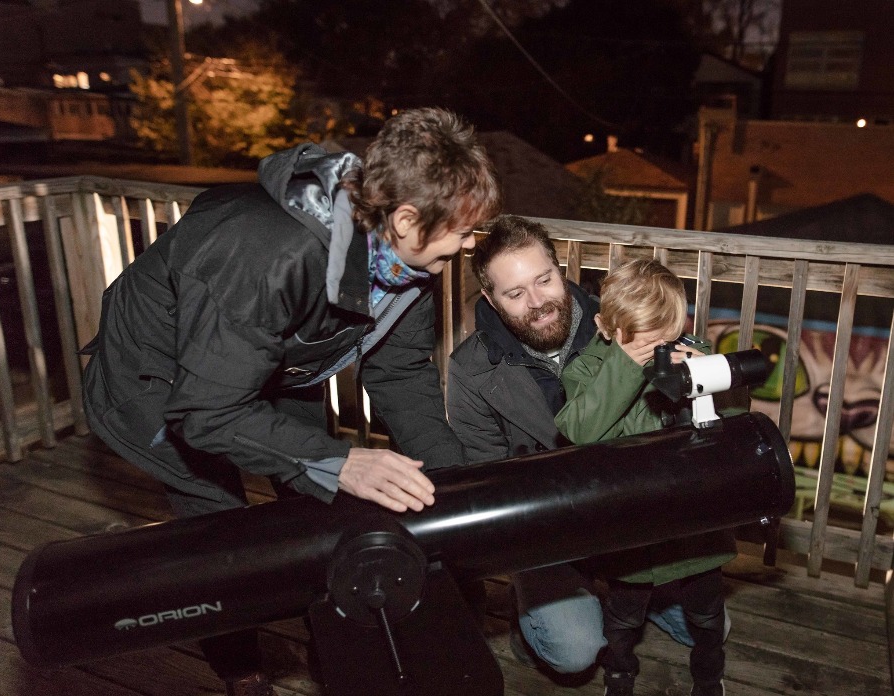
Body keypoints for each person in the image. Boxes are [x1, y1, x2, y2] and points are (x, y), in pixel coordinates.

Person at [81, 107, 502, 696]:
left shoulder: (407, 260)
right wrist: (341, 461)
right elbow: (206, 413)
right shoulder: (267, 256)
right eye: (462, 231)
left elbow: (401, 372)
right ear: (406, 218)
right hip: (161, 378)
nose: (466, 246)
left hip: (276, 363)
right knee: (221, 528)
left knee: (318, 507)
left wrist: (457, 491)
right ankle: (241, 667)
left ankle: (329, 633)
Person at [446, 216, 698, 677]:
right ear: (490, 300)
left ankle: (634, 589)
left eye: (544, 280)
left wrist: (693, 368)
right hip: (547, 527)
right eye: (515, 293)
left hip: (634, 511)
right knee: (575, 651)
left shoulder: (619, 318)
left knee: (710, 629)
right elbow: (482, 474)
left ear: (560, 271)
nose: (538, 302)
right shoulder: (471, 369)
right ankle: (537, 621)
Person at [555, 258, 737, 696]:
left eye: (668, 337)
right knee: (622, 617)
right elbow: (581, 430)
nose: (660, 349)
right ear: (606, 327)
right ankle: (619, 675)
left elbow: (732, 430)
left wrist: (710, 380)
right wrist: (624, 367)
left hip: (694, 522)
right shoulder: (585, 371)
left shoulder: (694, 352)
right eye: (645, 341)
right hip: (631, 525)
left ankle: (710, 677)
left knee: (709, 616)